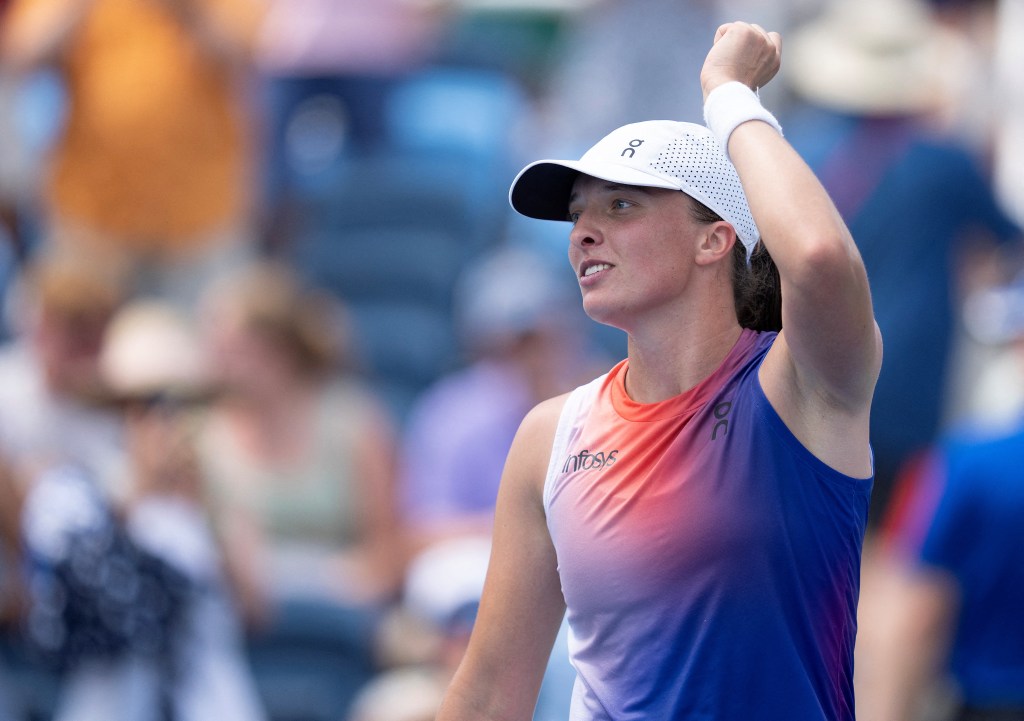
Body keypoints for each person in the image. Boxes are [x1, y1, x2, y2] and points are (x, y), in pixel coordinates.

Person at [436, 21, 881, 721]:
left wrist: (730, 95)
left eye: (622, 206)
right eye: (579, 213)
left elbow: (820, 257)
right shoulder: (549, 437)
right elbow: (490, 691)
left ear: (715, 238)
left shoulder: (802, 387)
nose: (584, 230)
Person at [0, 0, 266, 309]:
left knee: (201, 349)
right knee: (79, 342)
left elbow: (243, 54)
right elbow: (24, 54)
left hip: (199, 217)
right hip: (91, 213)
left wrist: (185, 9)